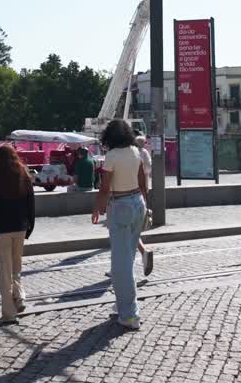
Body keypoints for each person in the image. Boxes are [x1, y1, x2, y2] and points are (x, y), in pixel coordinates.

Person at [92, 119, 149, 331]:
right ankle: (121, 304)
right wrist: (144, 206)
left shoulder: (112, 156)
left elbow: (105, 188)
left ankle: (130, 314)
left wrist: (98, 208)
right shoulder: (136, 151)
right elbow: (143, 183)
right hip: (137, 203)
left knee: (120, 264)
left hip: (121, 204)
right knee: (129, 258)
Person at [0, 145, 35, 325]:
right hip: (21, 227)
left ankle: (8, 313)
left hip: (3, 230)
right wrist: (30, 227)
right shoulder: (23, 174)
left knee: (3, 272)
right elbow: (31, 203)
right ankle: (19, 296)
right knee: (16, 266)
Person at [133, 135, 155, 276]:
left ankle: (119, 268)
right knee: (133, 231)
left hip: (130, 192)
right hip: (141, 190)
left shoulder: (133, 153)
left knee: (128, 233)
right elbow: (148, 169)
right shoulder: (144, 153)